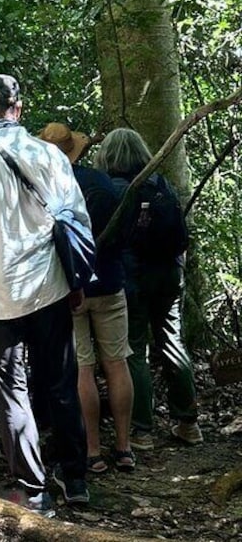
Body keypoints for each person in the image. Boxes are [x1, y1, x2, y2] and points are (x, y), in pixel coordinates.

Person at [0, 75, 89, 514]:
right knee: (61, 379)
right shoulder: (47, 154)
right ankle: (76, 476)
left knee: (11, 389)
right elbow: (75, 217)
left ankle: (33, 486)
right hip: (47, 286)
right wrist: (76, 280)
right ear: (18, 109)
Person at [94, 127, 201, 450]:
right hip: (169, 274)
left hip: (133, 277)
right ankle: (188, 422)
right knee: (172, 341)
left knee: (134, 349)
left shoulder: (114, 189)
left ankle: (142, 430)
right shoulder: (160, 183)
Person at [38, 122, 135, 473]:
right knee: (117, 361)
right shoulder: (100, 182)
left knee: (83, 367)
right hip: (109, 282)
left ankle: (93, 450)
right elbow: (124, 231)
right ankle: (124, 447)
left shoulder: (43, 189)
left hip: (69, 287)